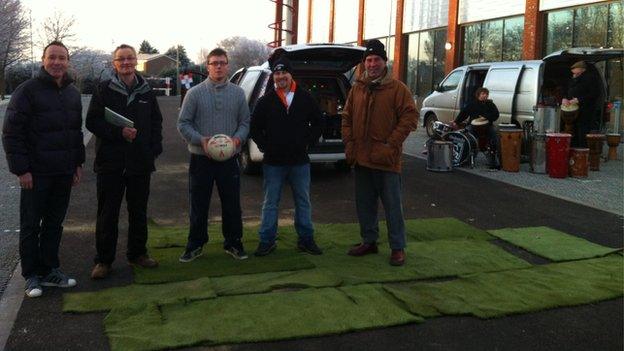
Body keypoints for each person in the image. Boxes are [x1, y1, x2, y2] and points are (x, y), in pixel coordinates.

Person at [2, 41, 84, 297]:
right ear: (43, 60)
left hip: (63, 171)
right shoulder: (27, 91)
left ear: (68, 61)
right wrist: (21, 169)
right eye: (52, 57)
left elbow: (75, 132)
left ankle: (50, 270)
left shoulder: (72, 93)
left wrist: (77, 163)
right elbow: (11, 133)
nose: (57, 62)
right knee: (30, 224)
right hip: (36, 173)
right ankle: (31, 275)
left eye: (62, 58)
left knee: (54, 223)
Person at [86, 44, 163, 279]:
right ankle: (104, 261)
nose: (126, 62)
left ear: (136, 61)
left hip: (140, 163)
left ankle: (138, 253)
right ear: (114, 63)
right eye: (121, 59)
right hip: (110, 163)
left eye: (130, 58)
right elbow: (92, 122)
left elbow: (156, 122)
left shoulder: (146, 90)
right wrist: (118, 133)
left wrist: (153, 150)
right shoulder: (103, 89)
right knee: (107, 213)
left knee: (138, 211)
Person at [341, 39, 418, 266]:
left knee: (393, 206)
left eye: (376, 60)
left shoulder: (398, 89)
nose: (372, 64)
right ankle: (369, 241)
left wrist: (390, 144)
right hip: (362, 158)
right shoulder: (357, 88)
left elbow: (410, 118)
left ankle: (397, 247)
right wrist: (349, 144)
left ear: (385, 62)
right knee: (364, 204)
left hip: (386, 160)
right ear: (364, 63)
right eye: (369, 60)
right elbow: (346, 117)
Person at [177, 48, 250, 262]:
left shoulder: (238, 93)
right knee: (199, 204)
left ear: (228, 66)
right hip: (201, 159)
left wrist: (237, 139)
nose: (218, 66)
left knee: (232, 204)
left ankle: (234, 243)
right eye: (214, 62)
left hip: (229, 159)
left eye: (222, 62)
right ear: (207, 66)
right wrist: (201, 140)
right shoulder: (194, 93)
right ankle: (195, 244)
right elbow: (183, 123)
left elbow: (245, 122)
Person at [250, 57, 323, 257]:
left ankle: (306, 240)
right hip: (273, 163)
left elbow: (318, 122)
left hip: (299, 162)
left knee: (303, 202)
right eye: (277, 73)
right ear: (274, 76)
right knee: (270, 202)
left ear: (291, 75)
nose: (280, 77)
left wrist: (308, 142)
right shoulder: (265, 101)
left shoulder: (305, 97)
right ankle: (266, 241)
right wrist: (266, 146)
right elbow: (254, 128)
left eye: (284, 73)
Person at [451, 87, 501, 169]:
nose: (485, 95)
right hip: (473, 126)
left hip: (487, 126)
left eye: (486, 94)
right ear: (478, 95)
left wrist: (485, 117)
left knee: (494, 134)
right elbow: (463, 114)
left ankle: (493, 160)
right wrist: (456, 122)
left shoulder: (490, 104)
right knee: (468, 136)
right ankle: (467, 157)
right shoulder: (472, 104)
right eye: (483, 94)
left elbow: (496, 115)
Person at [562, 61, 601, 147]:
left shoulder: (590, 78)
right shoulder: (573, 78)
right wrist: (564, 98)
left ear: (581, 69)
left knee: (582, 132)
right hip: (573, 111)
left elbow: (594, 94)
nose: (573, 72)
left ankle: (582, 152)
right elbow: (567, 89)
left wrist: (579, 100)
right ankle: (574, 150)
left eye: (575, 70)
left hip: (585, 110)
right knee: (573, 131)